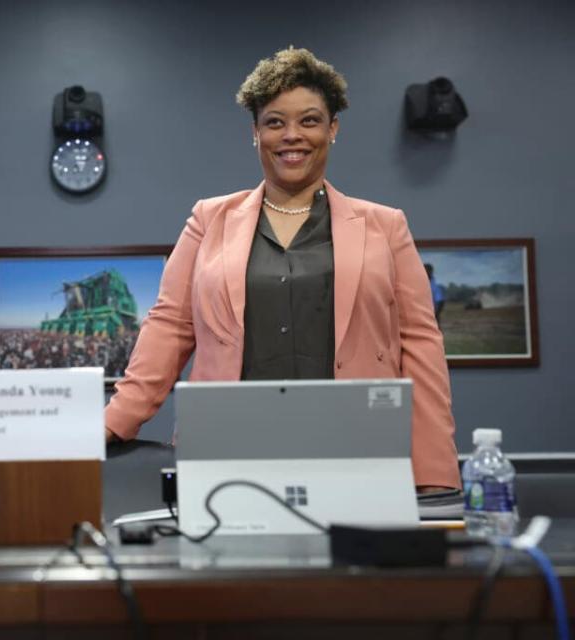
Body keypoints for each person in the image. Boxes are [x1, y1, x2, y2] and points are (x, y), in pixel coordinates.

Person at [104, 47, 459, 491]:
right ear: (255, 133)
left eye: (309, 120)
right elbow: (170, 327)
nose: (292, 135)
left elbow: (421, 348)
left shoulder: (386, 226)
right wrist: (113, 423)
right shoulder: (207, 220)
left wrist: (435, 473)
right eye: (275, 122)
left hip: (359, 451)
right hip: (228, 454)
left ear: (333, 129)